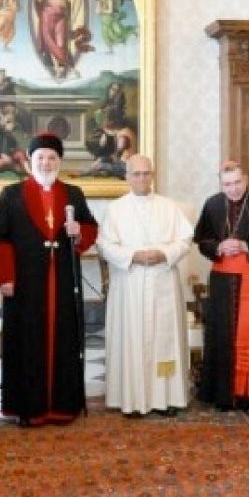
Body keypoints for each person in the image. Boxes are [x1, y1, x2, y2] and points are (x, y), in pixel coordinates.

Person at [0, 133, 99, 425]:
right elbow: (0, 238)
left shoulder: (73, 193)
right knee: (27, 340)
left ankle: (63, 406)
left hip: (62, 278)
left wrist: (79, 233)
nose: (46, 163)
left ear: (59, 161)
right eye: (40, 157)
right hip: (25, 281)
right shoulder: (11, 194)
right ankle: (30, 407)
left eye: (52, 158)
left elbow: (90, 227)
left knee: (64, 339)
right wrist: (4, 278)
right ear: (30, 160)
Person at [97, 154, 195, 416]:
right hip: (129, 283)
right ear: (127, 177)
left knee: (165, 340)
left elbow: (185, 239)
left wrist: (164, 253)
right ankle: (131, 400)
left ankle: (167, 398)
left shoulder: (168, 206)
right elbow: (104, 245)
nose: (142, 178)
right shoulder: (115, 209)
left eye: (146, 173)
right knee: (131, 339)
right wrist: (133, 256)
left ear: (152, 175)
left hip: (163, 281)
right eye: (136, 174)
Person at [195, 160, 249, 410]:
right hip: (222, 280)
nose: (233, 189)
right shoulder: (213, 203)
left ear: (246, 179)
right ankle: (223, 394)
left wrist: (246, 246)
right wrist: (219, 246)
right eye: (227, 184)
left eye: (237, 182)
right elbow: (202, 241)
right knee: (222, 335)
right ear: (220, 184)